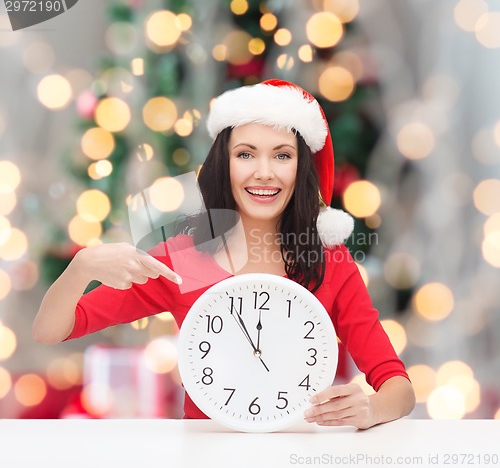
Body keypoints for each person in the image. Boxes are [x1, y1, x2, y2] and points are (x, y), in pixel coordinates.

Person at [33, 79, 415, 429]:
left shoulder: (328, 262)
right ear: (224, 165)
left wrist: (371, 408)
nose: (264, 172)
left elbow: (398, 385)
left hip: (300, 450)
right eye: (246, 155)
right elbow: (51, 330)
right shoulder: (185, 260)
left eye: (282, 156)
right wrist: (81, 267)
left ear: (302, 168)